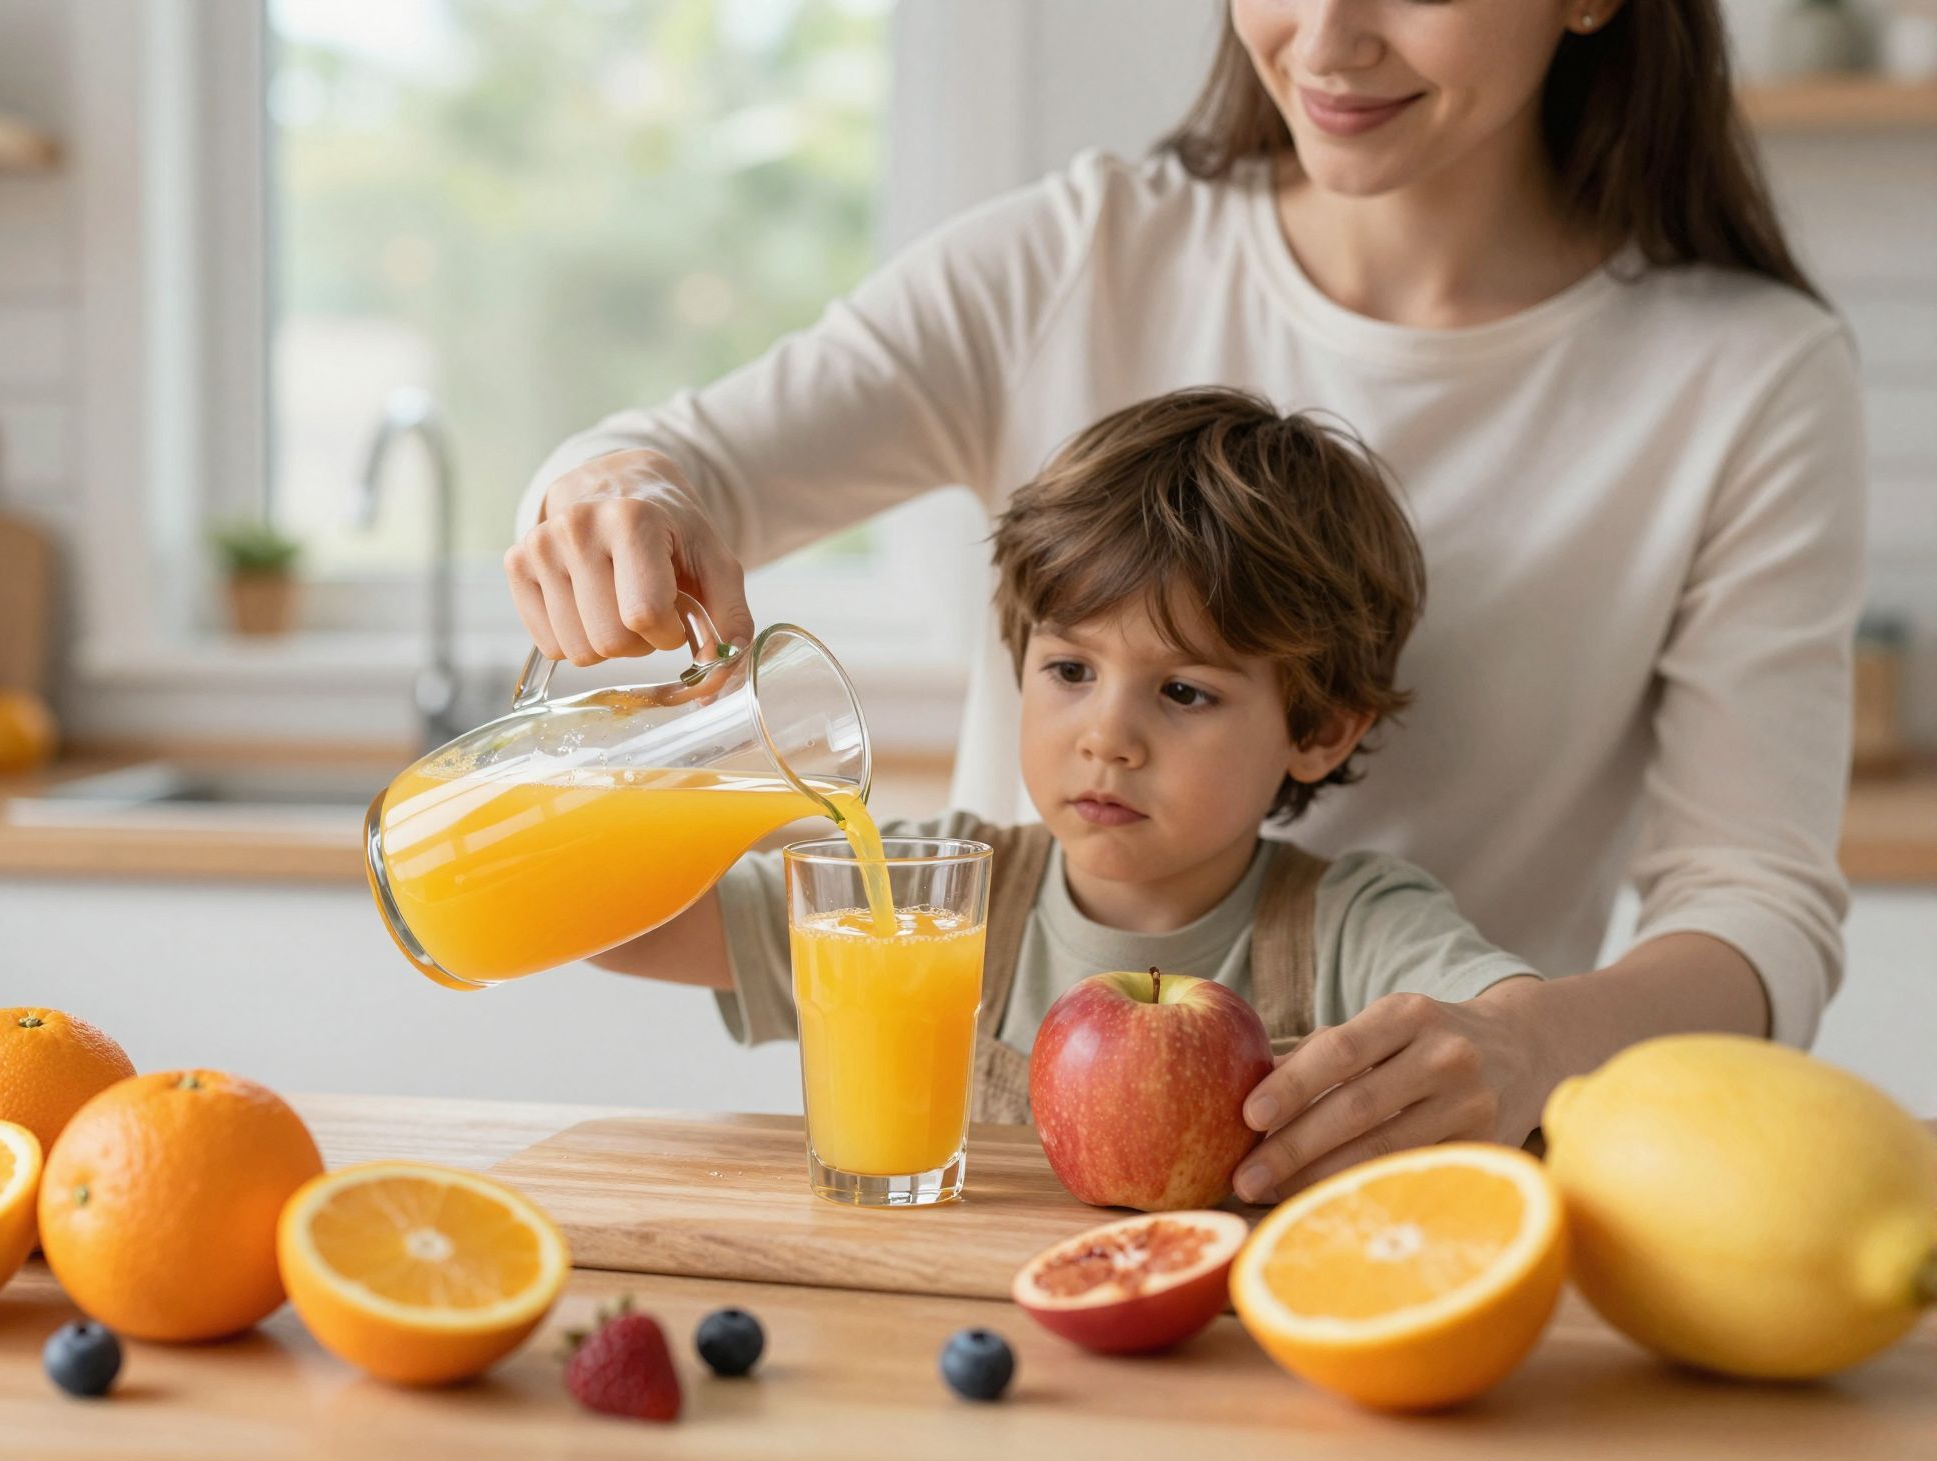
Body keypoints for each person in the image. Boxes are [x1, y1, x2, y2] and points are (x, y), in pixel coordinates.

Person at [508, 1, 1863, 1204]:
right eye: (1071, 667)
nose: (1328, 38)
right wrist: (617, 505)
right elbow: (677, 464)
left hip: (1410, 1218)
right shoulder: (1071, 255)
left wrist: (1527, 1046)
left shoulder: (1748, 377)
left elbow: (1754, 903)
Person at [591, 388, 1546, 1138]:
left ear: (1322, 731)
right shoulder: (927, 893)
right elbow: (627, 929)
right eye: (1070, 669)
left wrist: (1510, 1045)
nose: (1106, 737)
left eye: (1183, 692)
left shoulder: (1355, 928)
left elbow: (1524, 1038)